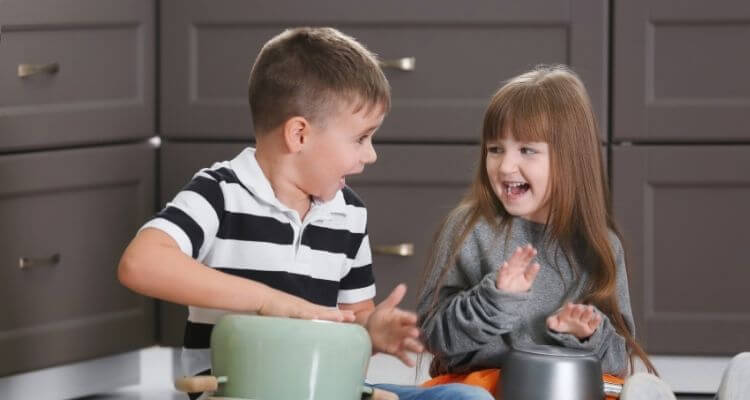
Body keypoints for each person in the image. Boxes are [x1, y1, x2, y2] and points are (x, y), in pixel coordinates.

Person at [118, 27, 488, 400]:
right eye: (361, 138)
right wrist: (271, 301)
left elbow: (353, 316)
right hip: (242, 390)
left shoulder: (349, 213)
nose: (370, 155)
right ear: (299, 135)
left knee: (466, 399)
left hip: (327, 388)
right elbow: (141, 263)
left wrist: (372, 330)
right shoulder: (219, 193)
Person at [415, 64, 679, 399]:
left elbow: (616, 361)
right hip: (487, 386)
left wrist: (584, 334)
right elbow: (432, 338)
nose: (506, 165)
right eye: (495, 149)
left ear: (570, 158)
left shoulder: (601, 245)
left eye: (526, 150)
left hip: (568, 389)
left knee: (626, 392)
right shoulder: (469, 228)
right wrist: (494, 300)